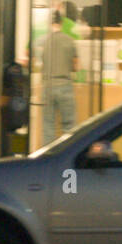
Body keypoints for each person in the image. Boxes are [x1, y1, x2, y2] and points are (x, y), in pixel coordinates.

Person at [41, 8, 77, 143]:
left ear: (50, 23)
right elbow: (75, 66)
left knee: (48, 127)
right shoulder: (69, 40)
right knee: (69, 127)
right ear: (62, 23)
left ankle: (46, 159)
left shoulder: (44, 41)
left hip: (48, 86)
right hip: (65, 84)